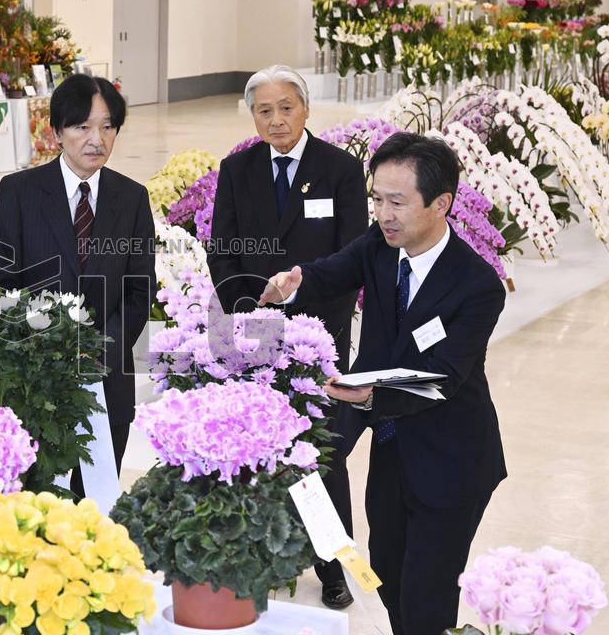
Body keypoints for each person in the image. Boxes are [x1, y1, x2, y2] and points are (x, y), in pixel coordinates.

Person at [260, 132, 506, 634]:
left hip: (451, 457)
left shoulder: (477, 285)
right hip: (393, 448)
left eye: (397, 202)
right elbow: (332, 271)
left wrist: (373, 395)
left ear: (441, 204)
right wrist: (295, 280)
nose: (384, 214)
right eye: (377, 199)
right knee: (388, 577)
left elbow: (446, 377)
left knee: (427, 594)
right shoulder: (380, 244)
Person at [206, 64, 368, 609]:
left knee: (323, 451)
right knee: (253, 444)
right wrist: (248, 309)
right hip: (253, 331)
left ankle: (334, 564)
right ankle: (255, 554)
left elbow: (353, 256)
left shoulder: (341, 169)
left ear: (305, 108)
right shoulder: (237, 169)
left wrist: (305, 315)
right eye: (263, 110)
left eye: (285, 107)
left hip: (319, 334)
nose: (275, 120)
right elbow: (221, 248)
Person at [0, 74, 155, 494]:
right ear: (56, 131)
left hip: (107, 377)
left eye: (108, 126)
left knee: (96, 502)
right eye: (82, 126)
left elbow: (139, 289)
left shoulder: (131, 198)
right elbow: (1, 281)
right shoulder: (19, 192)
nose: (97, 138)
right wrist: (47, 347)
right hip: (35, 380)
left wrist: (100, 349)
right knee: (36, 503)